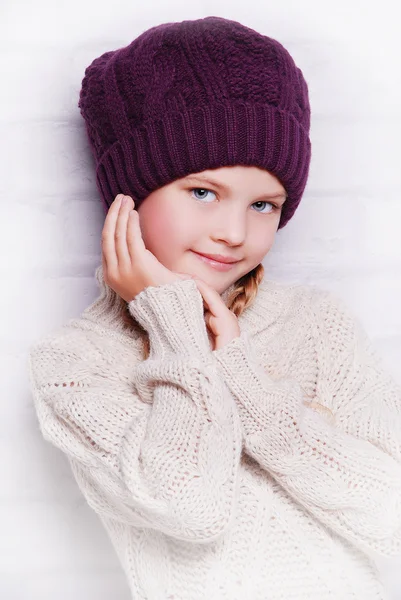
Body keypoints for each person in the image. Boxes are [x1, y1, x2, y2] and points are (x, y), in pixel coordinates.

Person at [27, 15, 401, 600]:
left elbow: (391, 519)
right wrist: (176, 329)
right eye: (203, 192)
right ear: (128, 194)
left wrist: (245, 381)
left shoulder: (316, 325)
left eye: (264, 204)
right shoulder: (76, 363)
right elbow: (189, 509)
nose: (233, 232)